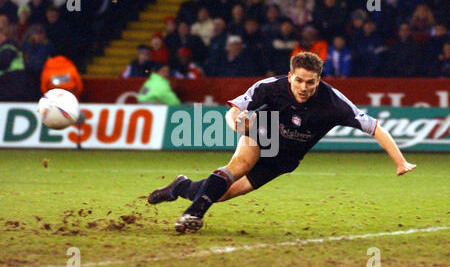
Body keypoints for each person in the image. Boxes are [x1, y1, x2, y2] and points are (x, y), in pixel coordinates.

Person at [148, 52, 417, 233]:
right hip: (259, 135)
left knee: (224, 192)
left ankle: (180, 186)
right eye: (298, 80)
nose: (303, 87)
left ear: (318, 80)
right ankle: (193, 215)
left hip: (283, 161)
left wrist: (400, 161)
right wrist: (239, 124)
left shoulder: (333, 102)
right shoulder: (269, 87)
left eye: (310, 82)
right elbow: (232, 113)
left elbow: (375, 128)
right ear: (290, 76)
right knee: (239, 164)